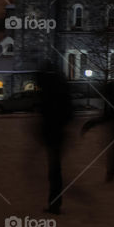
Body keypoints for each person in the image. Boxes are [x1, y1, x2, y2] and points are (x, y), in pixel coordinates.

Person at [35, 65, 74, 214]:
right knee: (54, 170)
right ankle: (55, 202)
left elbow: (49, 114)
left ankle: (55, 204)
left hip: (54, 135)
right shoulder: (57, 90)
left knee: (55, 171)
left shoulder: (50, 92)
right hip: (56, 134)